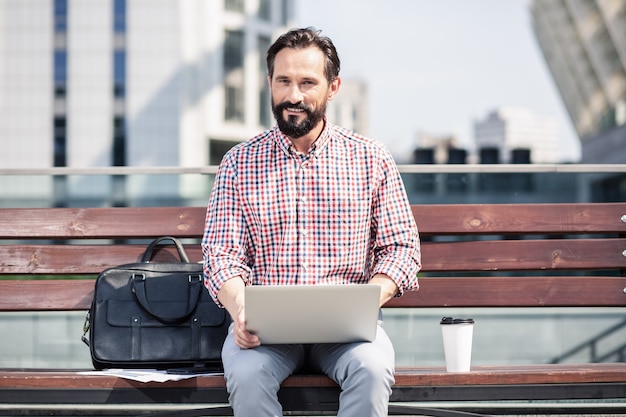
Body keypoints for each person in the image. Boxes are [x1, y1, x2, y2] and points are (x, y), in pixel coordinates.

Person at [202, 27, 421, 417]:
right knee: (248, 376)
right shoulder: (238, 162)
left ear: (333, 87)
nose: (294, 96)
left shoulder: (371, 159)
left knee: (371, 370)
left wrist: (368, 300)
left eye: (307, 82)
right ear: (269, 82)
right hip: (263, 334)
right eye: (283, 81)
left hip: (348, 334)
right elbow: (221, 255)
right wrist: (240, 311)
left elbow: (401, 249)